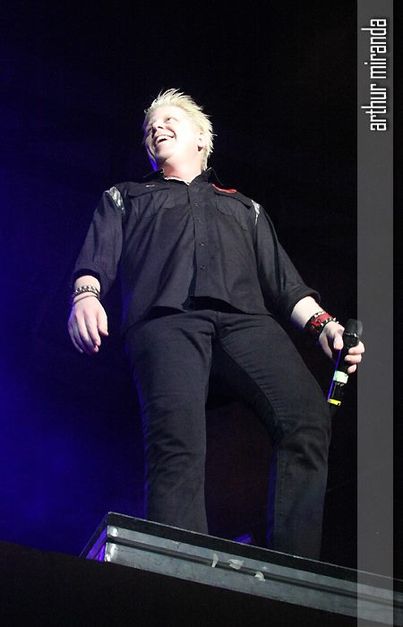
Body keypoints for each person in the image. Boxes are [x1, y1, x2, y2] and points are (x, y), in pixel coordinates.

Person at [68, 88, 364, 560]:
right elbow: (97, 258)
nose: (156, 129)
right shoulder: (125, 196)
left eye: (169, 120)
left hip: (245, 321)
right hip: (166, 322)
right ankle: (184, 572)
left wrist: (324, 326)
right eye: (149, 128)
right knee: (178, 442)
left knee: (307, 417)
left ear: (202, 138)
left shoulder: (245, 207)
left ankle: (295, 566)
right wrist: (86, 295)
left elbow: (285, 285)